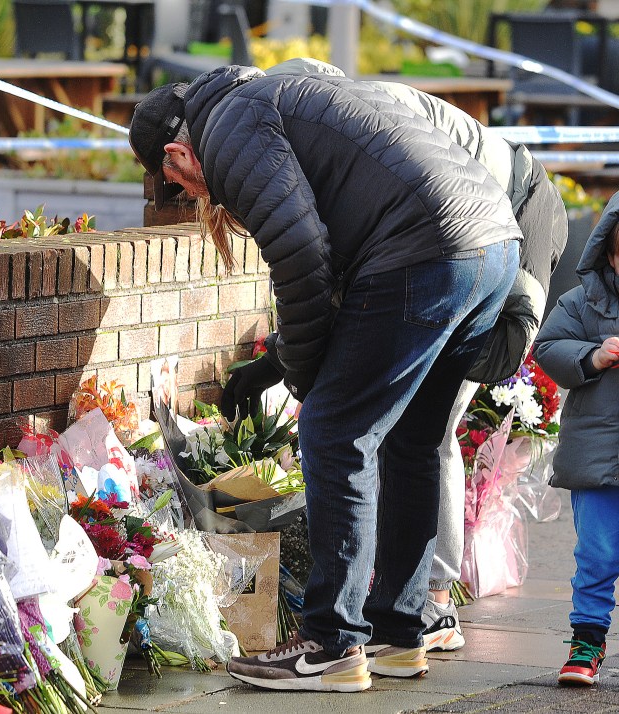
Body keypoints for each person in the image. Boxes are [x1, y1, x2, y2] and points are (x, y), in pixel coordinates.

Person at [129, 65, 522, 692]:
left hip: (425, 250)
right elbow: (338, 253)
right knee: (413, 441)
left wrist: (307, 382)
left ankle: (330, 643)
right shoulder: (275, 96)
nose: (187, 194)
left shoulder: (229, 130)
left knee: (339, 435)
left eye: (176, 183)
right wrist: (283, 358)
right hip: (494, 246)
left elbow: (302, 256)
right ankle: (399, 632)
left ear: (177, 153)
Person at [262, 59, 568, 653]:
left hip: (514, 220)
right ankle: (400, 610)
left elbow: (494, 356)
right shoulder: (331, 127)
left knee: (432, 422)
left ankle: (429, 600)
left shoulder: (362, 122)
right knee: (404, 426)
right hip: (456, 239)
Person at [533, 192, 619, 687]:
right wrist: (592, 355)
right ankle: (587, 639)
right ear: (607, 253)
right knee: (598, 554)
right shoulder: (583, 301)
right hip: (599, 458)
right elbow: (549, 345)